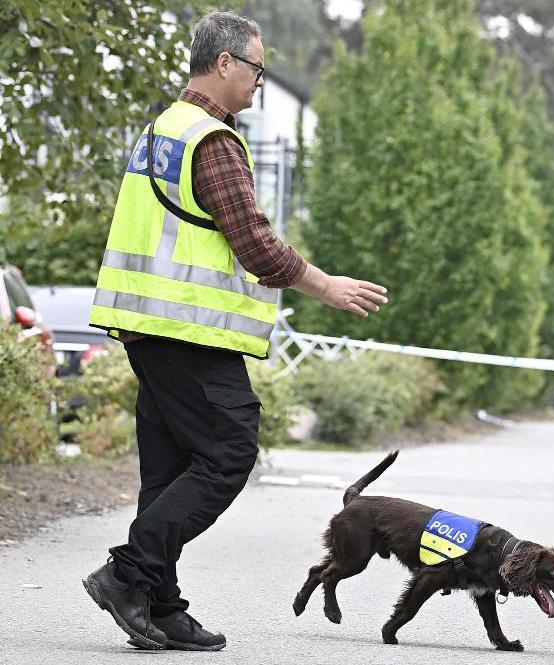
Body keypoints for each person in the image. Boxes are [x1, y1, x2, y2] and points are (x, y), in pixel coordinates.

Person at [82, 12, 388, 652]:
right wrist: (326, 285)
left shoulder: (162, 130)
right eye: (256, 70)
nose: (259, 84)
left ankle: (161, 608)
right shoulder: (211, 142)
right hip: (188, 333)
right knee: (227, 453)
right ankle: (128, 575)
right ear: (224, 64)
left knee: (167, 474)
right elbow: (254, 245)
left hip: (150, 328)